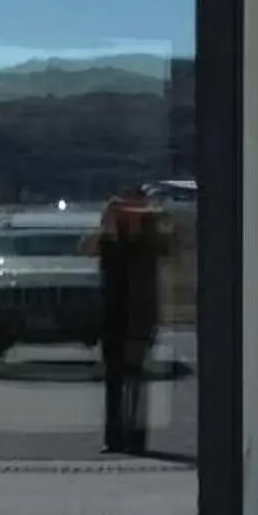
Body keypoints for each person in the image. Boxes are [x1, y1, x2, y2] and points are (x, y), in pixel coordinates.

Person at [92, 186, 164, 456]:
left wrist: (146, 219)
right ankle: (114, 436)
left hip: (139, 314)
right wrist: (108, 223)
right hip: (113, 313)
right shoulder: (110, 240)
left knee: (135, 376)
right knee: (114, 377)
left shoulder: (150, 238)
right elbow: (86, 248)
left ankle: (135, 438)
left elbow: (173, 245)